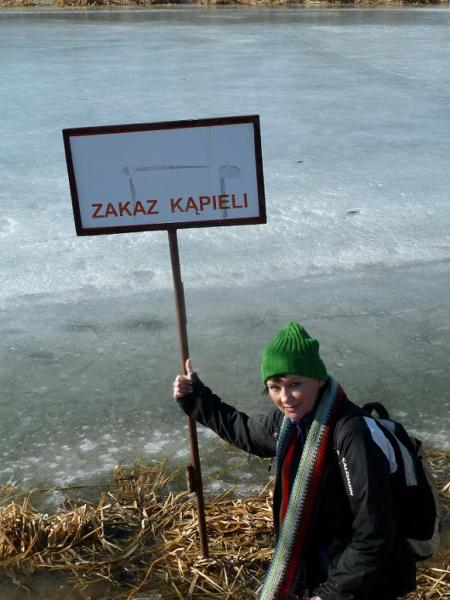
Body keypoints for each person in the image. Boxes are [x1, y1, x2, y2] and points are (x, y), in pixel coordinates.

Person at [173, 322, 416, 600]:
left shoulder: (353, 435)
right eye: (274, 387)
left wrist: (330, 595)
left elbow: (374, 532)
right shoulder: (288, 424)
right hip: (317, 568)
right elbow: (245, 432)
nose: (285, 397)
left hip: (364, 583)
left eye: (295, 384)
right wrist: (196, 397)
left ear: (319, 379)